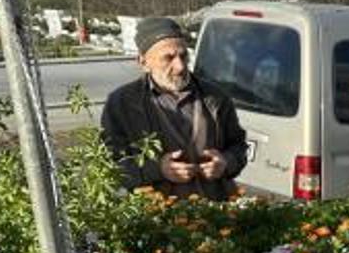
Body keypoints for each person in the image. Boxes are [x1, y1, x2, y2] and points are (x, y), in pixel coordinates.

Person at [101, 17, 248, 201]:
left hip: (214, 214)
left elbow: (239, 146)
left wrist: (225, 163)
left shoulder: (215, 97)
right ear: (143, 62)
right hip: (156, 219)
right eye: (168, 58)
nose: (180, 66)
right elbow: (110, 167)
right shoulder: (122, 103)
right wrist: (158, 169)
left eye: (184, 56)